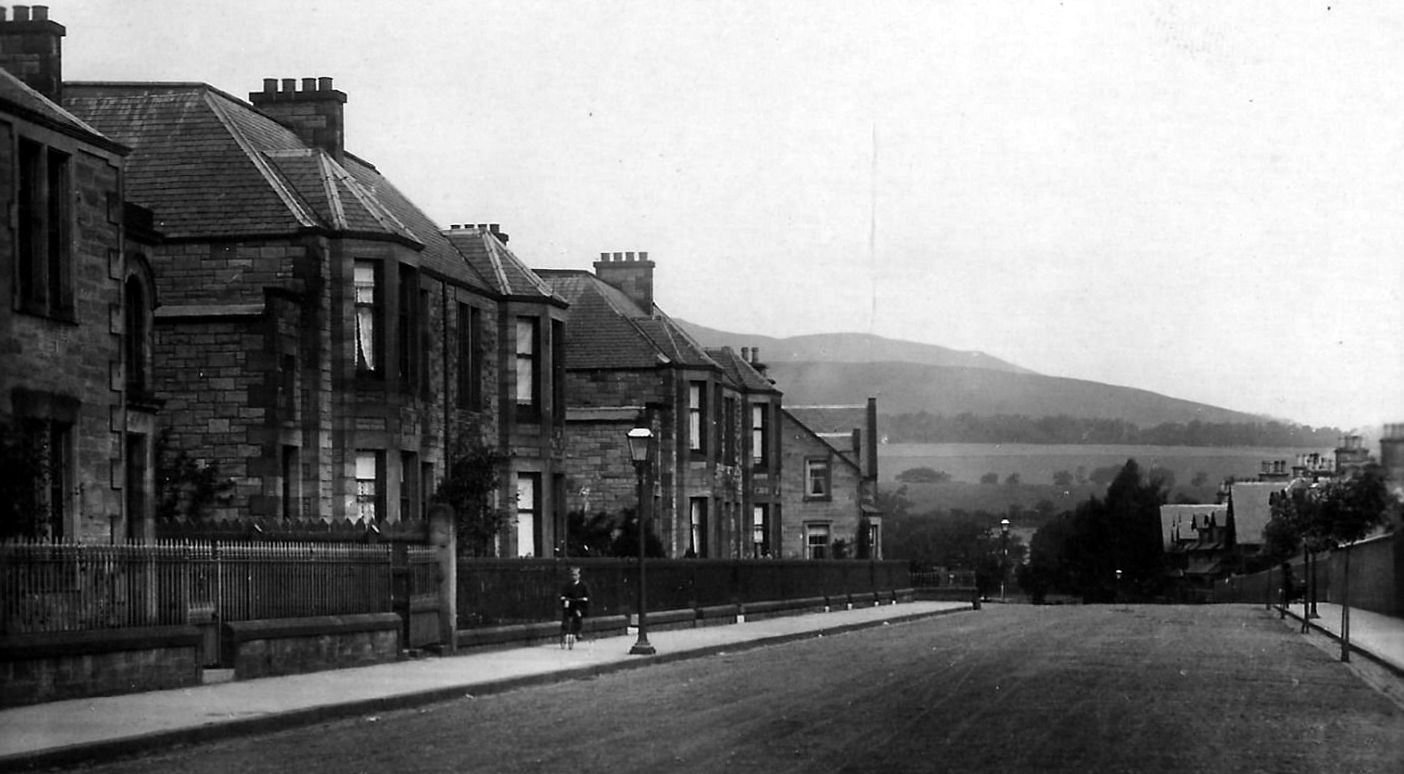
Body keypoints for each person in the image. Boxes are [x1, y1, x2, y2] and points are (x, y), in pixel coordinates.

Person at [559, 566, 590, 649]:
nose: (574, 577)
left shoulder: (583, 586)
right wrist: (564, 598)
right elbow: (563, 595)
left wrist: (584, 599)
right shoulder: (567, 585)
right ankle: (564, 632)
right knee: (565, 616)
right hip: (570, 604)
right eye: (572, 575)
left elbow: (586, 596)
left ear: (579, 576)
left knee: (578, 614)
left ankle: (578, 631)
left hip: (578, 605)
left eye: (576, 575)